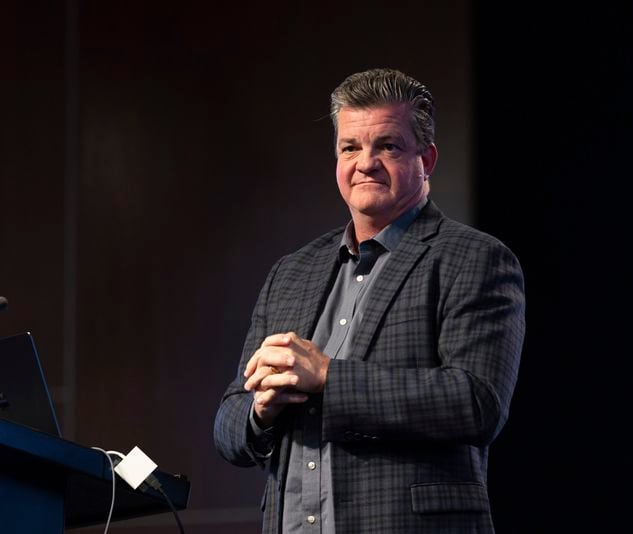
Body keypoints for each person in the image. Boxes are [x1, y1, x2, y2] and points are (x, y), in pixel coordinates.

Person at [214, 68, 525, 533]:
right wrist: (261, 410)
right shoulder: (291, 273)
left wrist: (328, 378)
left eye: (388, 146)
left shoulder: (474, 258)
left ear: (428, 158)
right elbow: (228, 425)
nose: (366, 163)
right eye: (350, 148)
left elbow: (476, 402)